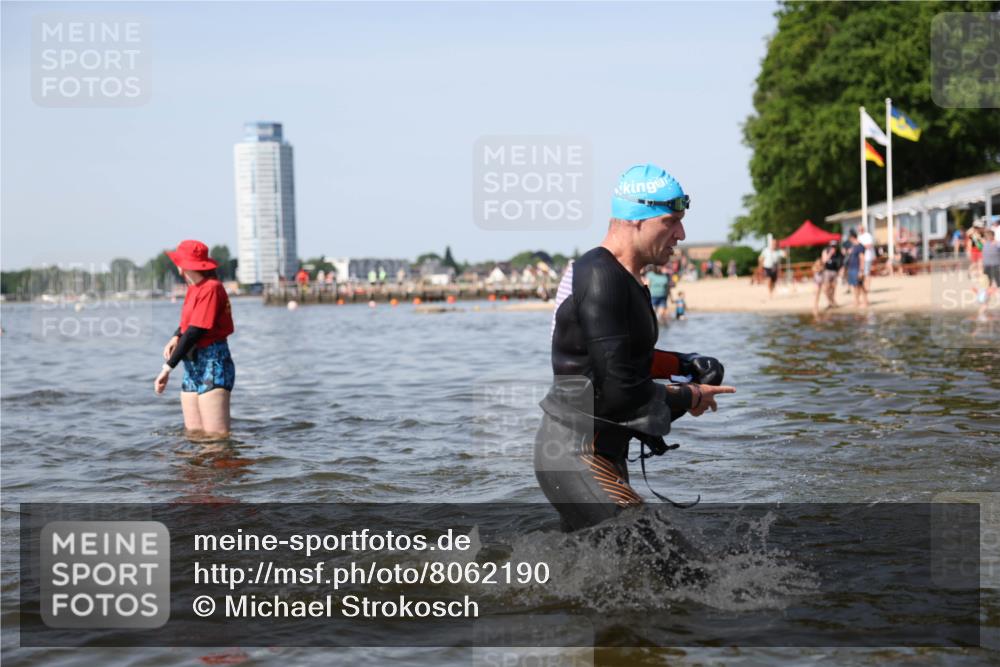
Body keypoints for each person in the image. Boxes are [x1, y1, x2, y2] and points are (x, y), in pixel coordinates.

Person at [535, 163, 735, 533]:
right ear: (636, 219)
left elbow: (622, 358)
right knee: (669, 562)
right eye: (671, 221)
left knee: (619, 573)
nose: (681, 233)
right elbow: (620, 388)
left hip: (602, 452)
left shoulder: (626, 278)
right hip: (574, 452)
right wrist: (690, 395)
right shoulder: (599, 275)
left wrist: (686, 363)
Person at [156, 240, 236, 439]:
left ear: (183, 266)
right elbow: (188, 325)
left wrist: (167, 368)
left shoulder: (211, 288)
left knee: (216, 438)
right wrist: (176, 335)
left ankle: (227, 469)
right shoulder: (194, 288)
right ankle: (198, 471)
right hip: (191, 363)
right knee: (194, 435)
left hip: (213, 362)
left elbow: (195, 331)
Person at [844, 230, 869, 308]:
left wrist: (861, 271)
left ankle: (865, 302)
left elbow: (862, 258)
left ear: (852, 237)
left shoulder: (860, 246)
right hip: (851, 268)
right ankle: (856, 301)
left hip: (857, 269)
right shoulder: (853, 246)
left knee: (861, 286)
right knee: (855, 286)